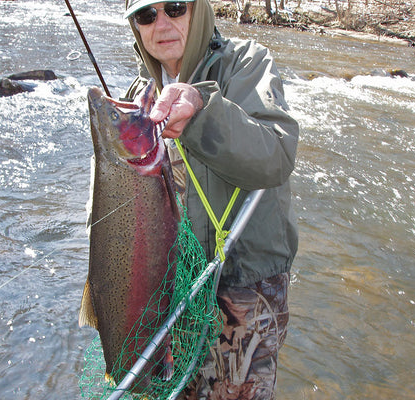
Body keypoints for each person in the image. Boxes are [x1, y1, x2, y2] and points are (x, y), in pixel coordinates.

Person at [123, 0, 299, 398]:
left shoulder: (246, 63)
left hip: (245, 288)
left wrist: (201, 110)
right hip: (172, 290)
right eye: (147, 16)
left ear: (198, 10)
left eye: (175, 7)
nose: (161, 24)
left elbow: (276, 155)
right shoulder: (138, 96)